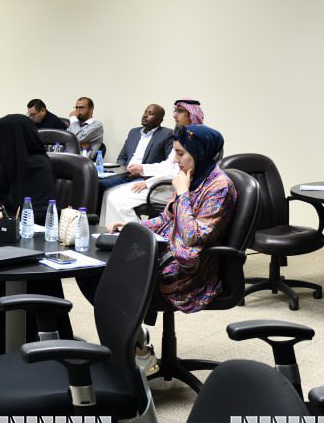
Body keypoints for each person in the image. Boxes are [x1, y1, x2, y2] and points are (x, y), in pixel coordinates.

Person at [107, 123, 235, 373]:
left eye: (180, 154)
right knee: (105, 269)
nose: (175, 160)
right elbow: (167, 218)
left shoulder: (220, 187)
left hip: (192, 269)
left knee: (117, 279)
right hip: (169, 253)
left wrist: (183, 193)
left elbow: (192, 236)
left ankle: (137, 349)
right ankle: (136, 343)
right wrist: (133, 227)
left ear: (199, 153)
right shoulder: (191, 176)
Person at [0, 113, 69, 362]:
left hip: (29, 245)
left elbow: (42, 212)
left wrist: (5, 216)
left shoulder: (39, 166)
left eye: (1, 137)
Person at [100, 99, 204, 228]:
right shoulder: (183, 136)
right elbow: (168, 165)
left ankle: (135, 235)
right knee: (108, 193)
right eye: (175, 111)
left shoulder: (196, 139)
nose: (174, 115)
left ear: (191, 114)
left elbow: (179, 172)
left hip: (171, 187)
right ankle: (107, 233)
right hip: (160, 182)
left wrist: (148, 182)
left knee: (117, 200)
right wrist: (142, 168)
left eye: (179, 111)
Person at [97, 103, 174, 196]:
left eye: (150, 114)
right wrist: (123, 171)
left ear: (160, 120)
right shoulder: (134, 132)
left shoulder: (166, 134)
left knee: (117, 194)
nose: (145, 115)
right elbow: (122, 157)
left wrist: (142, 172)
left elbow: (169, 164)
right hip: (125, 175)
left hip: (144, 178)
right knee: (97, 184)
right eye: (145, 112)